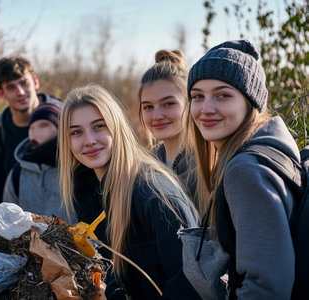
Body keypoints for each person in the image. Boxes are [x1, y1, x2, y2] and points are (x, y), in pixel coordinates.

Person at [58, 84, 201, 299]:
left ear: (117, 127)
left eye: (99, 126)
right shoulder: (88, 193)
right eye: (76, 132)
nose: (89, 140)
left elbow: (190, 284)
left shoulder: (153, 195)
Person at [186, 39, 299, 299]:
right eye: (197, 96)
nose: (206, 108)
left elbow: (267, 287)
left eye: (223, 95)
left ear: (250, 102)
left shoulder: (244, 170)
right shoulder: (272, 150)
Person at [0, 56, 61, 209]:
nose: (20, 92)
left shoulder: (65, 117)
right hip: (21, 223)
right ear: (1, 94)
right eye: (10, 87)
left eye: (24, 83)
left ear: (35, 82)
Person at [139, 49, 199, 211]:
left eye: (168, 104)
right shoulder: (144, 168)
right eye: (148, 107)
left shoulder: (206, 167)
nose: (157, 116)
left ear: (190, 103)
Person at [3, 102, 73, 221]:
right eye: (31, 128)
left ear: (61, 130)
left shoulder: (77, 170)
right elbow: (6, 219)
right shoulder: (18, 173)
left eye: (43, 125)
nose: (34, 133)